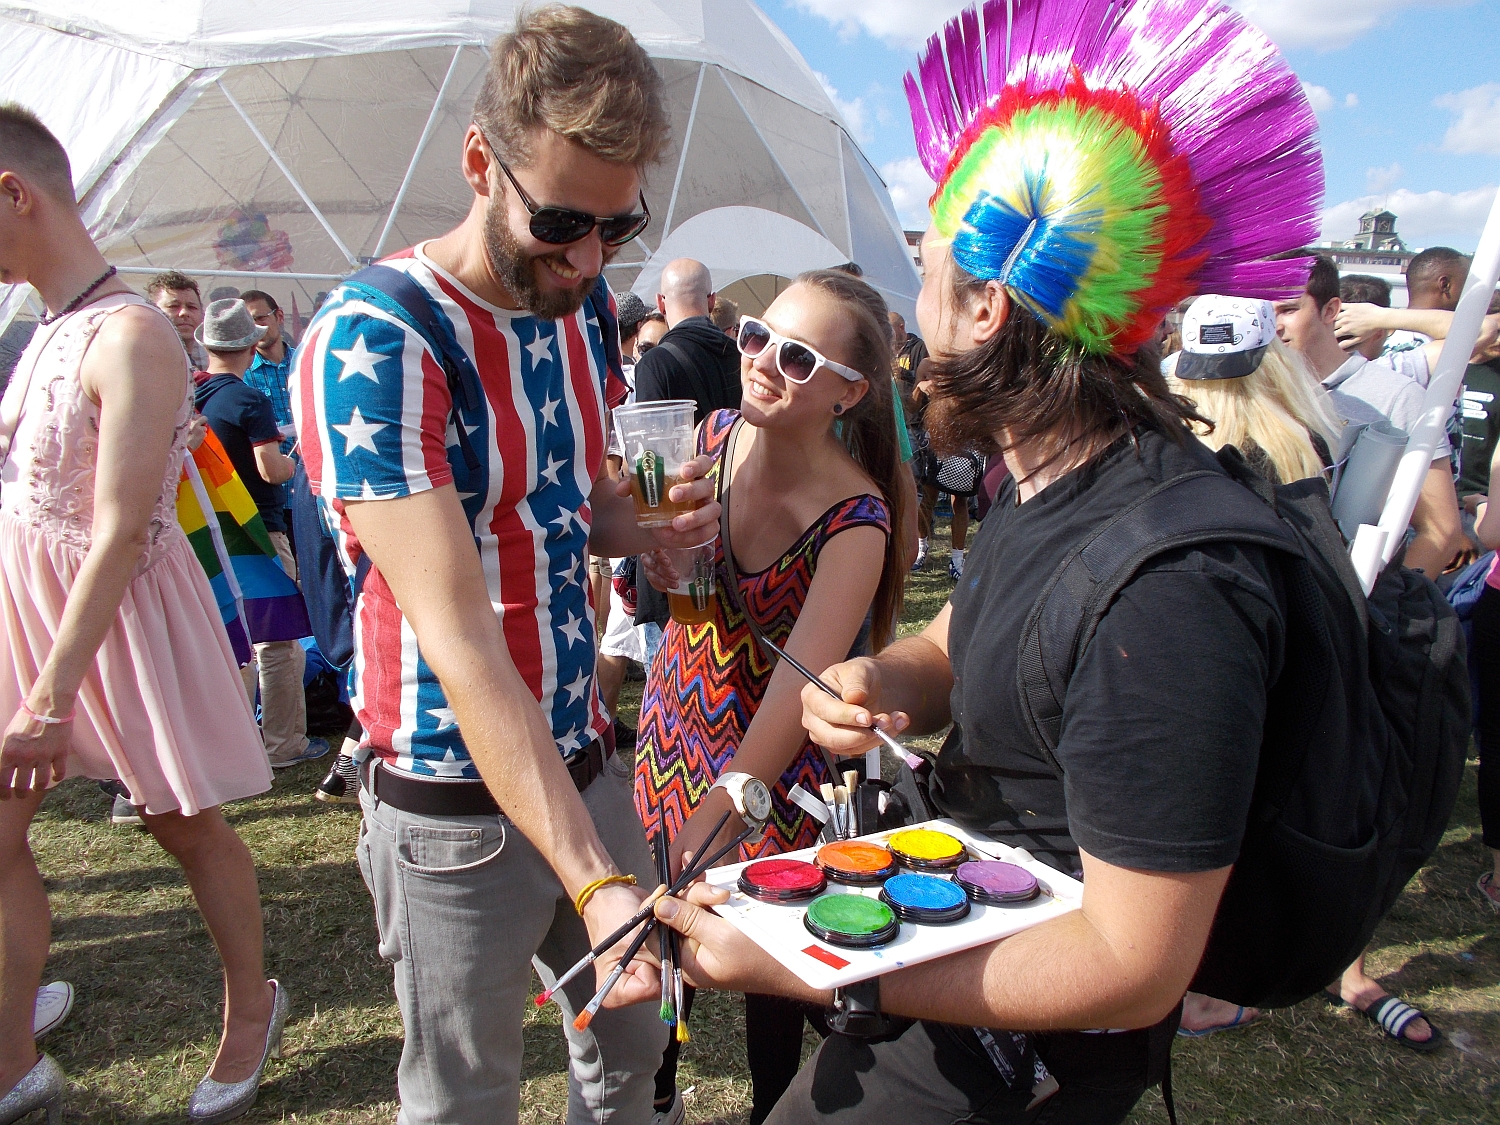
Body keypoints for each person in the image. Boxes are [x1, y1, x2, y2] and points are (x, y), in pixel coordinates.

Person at [290, 8, 719, 1123]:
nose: (588, 260)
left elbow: (580, 511)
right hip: (451, 812)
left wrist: (648, 532)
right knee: (467, 1095)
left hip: (583, 762)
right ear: (481, 163)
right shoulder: (378, 339)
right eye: (565, 220)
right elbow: (463, 641)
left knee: (634, 1056)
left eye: (618, 227)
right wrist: (597, 878)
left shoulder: (573, 310)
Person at [0, 103, 282, 1124]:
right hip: (30, 607)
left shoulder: (133, 334)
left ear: (14, 194)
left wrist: (48, 693)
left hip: (112, 620)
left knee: (183, 826)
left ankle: (250, 1005)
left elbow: (119, 531)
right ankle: (11, 1049)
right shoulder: (46, 328)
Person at [635, 270, 907, 1125]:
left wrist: (721, 810)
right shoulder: (711, 437)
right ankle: (657, 1090)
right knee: (660, 946)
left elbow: (799, 688)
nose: (760, 362)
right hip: (668, 733)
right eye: (755, 336)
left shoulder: (853, 517)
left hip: (767, 775)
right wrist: (654, 557)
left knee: (771, 970)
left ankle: (766, 1109)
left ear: (848, 392)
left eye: (795, 356)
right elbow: (664, 579)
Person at [194, 299, 328, 770]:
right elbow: (271, 470)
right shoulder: (248, 399)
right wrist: (302, 461)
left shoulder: (193, 395)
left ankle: (230, 741)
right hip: (257, 534)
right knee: (279, 641)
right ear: (251, 345)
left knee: (229, 638)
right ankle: (283, 743)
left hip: (206, 535)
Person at [1275, 255, 1463, 576]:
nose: (1275, 324)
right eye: (1263, 312)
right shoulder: (1248, 392)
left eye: (1289, 309)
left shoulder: (1397, 397)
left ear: (1330, 310)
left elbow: (1441, 531)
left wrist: (1366, 610)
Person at [635, 257, 743, 421]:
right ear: (712, 301)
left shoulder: (654, 364)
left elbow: (651, 442)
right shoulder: (744, 358)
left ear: (660, 303)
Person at [1384, 247, 1472, 361]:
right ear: (1445, 285)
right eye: (1466, 284)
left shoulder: (1384, 340)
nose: (1469, 292)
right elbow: (1486, 330)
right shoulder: (1414, 348)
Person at [146, 270, 209, 371]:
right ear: (152, 310)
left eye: (191, 307)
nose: (184, 313)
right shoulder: (144, 364)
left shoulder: (208, 362)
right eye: (174, 306)